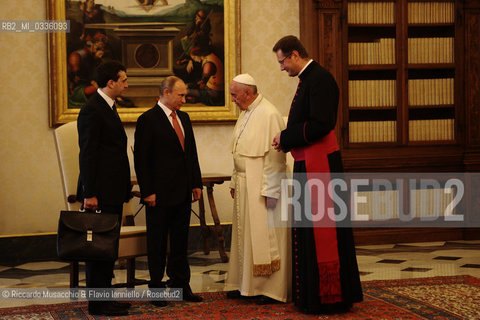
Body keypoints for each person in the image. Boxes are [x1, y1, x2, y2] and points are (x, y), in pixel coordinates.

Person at [271, 35, 363, 314]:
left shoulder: (320, 79)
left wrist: (285, 136)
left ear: (295, 55)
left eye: (282, 61)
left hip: (320, 164)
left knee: (323, 234)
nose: (282, 67)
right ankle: (312, 295)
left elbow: (321, 124)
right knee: (308, 230)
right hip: (309, 162)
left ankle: (329, 297)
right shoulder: (308, 79)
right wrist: (287, 139)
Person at [134, 76, 203, 307]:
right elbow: (141, 160)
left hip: (183, 192)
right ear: (166, 92)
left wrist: (196, 184)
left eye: (185, 95)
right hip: (159, 195)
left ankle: (181, 285)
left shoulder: (184, 117)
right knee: (157, 243)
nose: (185, 99)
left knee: (181, 243)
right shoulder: (148, 119)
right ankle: (156, 288)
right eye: (181, 95)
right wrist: (148, 192)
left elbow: (191, 154)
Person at [225, 74, 291, 304]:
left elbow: (276, 157)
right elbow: (238, 152)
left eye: (234, 94)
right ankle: (244, 284)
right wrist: (235, 182)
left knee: (265, 238)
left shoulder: (269, 113)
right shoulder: (246, 113)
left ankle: (269, 289)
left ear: (248, 92)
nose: (232, 99)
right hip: (245, 183)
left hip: (261, 185)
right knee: (244, 238)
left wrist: (270, 190)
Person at [76, 61, 132, 316]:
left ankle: (106, 299)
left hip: (112, 191)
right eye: (123, 80)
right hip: (99, 193)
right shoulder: (92, 110)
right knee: (97, 250)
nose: (126, 84)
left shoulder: (108, 107)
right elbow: (87, 155)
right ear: (110, 83)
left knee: (107, 248)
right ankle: (98, 304)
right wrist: (90, 193)